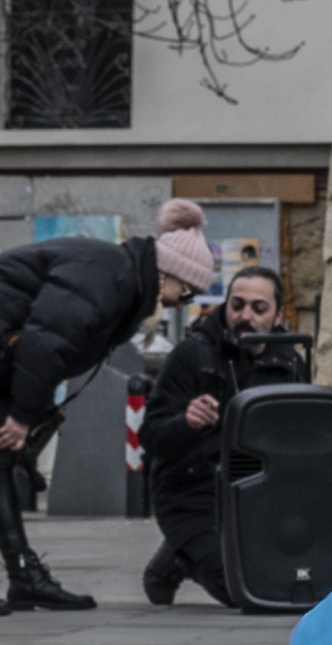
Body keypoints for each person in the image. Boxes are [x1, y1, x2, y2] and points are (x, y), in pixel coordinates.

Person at [0, 198, 214, 611]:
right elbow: (46, 343)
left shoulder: (121, 279)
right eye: (186, 292)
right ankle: (25, 576)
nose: (182, 303)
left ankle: (25, 576)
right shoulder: (107, 274)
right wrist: (23, 417)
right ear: (169, 273)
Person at [139, 266, 307, 607]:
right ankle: (179, 556)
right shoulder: (193, 354)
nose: (245, 316)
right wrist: (186, 422)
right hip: (193, 493)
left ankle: (183, 553)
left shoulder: (289, 364)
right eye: (237, 305)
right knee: (243, 590)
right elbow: (150, 437)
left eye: (259, 308)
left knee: (292, 579)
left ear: (278, 316)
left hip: (259, 498)